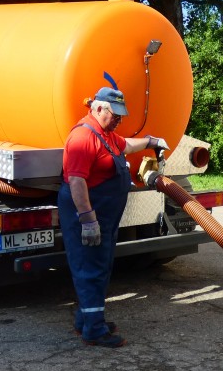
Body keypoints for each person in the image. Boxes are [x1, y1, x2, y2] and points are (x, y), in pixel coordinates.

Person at [58, 86, 169, 347]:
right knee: (90, 270)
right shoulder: (83, 138)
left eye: (121, 115)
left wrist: (151, 141)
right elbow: (76, 181)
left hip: (105, 218)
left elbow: (127, 145)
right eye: (115, 114)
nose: (119, 119)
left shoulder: (106, 134)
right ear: (97, 108)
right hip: (90, 217)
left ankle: (85, 320)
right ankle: (94, 331)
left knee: (100, 267)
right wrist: (87, 220)